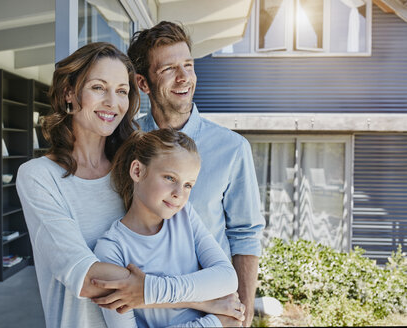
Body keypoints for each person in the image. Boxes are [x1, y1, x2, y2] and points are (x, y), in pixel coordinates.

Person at [17, 42, 245, 328]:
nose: (113, 102)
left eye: (122, 91)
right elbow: (88, 278)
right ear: (69, 94)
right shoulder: (38, 177)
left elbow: (184, 258)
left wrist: (178, 294)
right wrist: (202, 300)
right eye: (99, 87)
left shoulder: (136, 170)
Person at [128, 21, 266, 326]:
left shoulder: (232, 148)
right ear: (143, 83)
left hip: (210, 318)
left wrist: (241, 318)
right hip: (139, 316)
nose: (184, 78)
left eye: (188, 65)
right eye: (168, 69)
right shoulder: (127, 145)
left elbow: (245, 236)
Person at [94, 129, 242, 327]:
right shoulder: (111, 249)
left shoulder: (184, 216)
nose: (179, 194)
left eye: (188, 185)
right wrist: (215, 321)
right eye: (170, 178)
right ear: (137, 171)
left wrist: (149, 291)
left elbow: (227, 277)